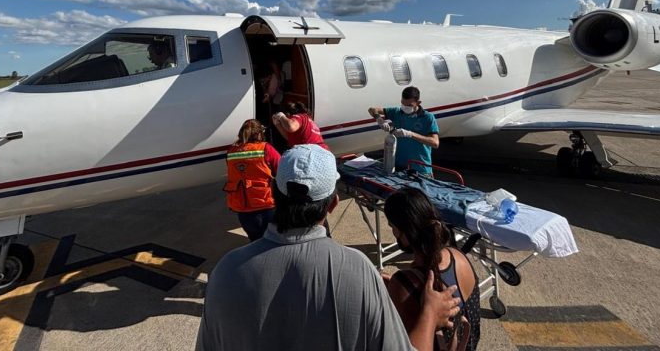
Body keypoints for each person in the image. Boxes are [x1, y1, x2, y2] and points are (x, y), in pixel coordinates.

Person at [196, 145, 463, 351]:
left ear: (274, 195)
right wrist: (429, 315)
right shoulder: (358, 269)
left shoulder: (225, 271)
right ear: (333, 204)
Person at [383, 187, 481, 351]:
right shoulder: (459, 256)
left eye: (392, 226)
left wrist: (390, 291)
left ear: (404, 230)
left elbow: (402, 343)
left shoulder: (403, 283)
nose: (393, 232)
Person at [223, 119, 280, 241]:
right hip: (264, 204)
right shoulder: (265, 148)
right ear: (259, 133)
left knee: (255, 240)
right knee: (273, 240)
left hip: (243, 207)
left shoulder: (231, 151)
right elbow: (282, 169)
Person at [368, 86, 439, 176]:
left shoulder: (427, 117)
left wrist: (410, 134)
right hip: (399, 168)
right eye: (403, 104)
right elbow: (372, 109)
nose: (405, 107)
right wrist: (379, 119)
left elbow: (435, 143)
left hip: (420, 170)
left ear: (418, 103)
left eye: (409, 105)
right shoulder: (397, 112)